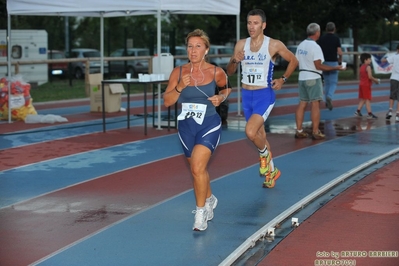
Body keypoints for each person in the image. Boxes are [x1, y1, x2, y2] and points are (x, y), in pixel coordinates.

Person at [163, 29, 231, 231]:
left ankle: (200, 214)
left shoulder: (215, 72)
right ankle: (209, 198)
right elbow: (167, 101)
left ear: (206, 50)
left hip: (209, 124)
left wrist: (221, 97)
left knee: (197, 169)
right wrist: (179, 88)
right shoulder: (179, 72)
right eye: (190, 46)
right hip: (186, 127)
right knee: (198, 171)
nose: (193, 50)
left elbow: (227, 87)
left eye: (198, 46)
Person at [226, 9, 298, 188]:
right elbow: (229, 71)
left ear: (263, 25)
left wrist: (283, 79)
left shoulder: (273, 45)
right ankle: (271, 174)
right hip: (246, 96)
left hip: (264, 96)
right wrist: (234, 60)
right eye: (249, 23)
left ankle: (264, 155)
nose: (252, 26)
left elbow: (293, 60)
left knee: (250, 132)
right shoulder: (241, 44)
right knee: (260, 135)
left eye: (255, 23)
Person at [295, 23, 345, 140]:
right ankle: (316, 131)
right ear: (317, 33)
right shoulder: (315, 47)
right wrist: (335, 67)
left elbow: (296, 61)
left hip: (302, 77)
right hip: (313, 77)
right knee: (315, 104)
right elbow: (318, 65)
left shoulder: (301, 45)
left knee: (302, 104)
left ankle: (299, 130)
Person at [318, 22, 343, 110]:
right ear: (334, 29)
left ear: (326, 29)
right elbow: (339, 52)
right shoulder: (336, 38)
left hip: (324, 63)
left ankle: (326, 101)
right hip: (333, 62)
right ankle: (329, 96)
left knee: (327, 83)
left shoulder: (322, 39)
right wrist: (340, 60)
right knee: (333, 82)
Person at [354, 53, 380, 119]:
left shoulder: (361, 66)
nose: (370, 60)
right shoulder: (368, 67)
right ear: (365, 60)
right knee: (367, 99)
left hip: (361, 84)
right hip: (366, 85)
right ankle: (369, 113)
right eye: (369, 59)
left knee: (363, 99)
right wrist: (376, 80)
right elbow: (370, 76)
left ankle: (358, 111)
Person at [381, 44, 399, 122]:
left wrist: (386, 57)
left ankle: (390, 111)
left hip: (394, 78)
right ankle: (398, 114)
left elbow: (383, 60)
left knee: (392, 95)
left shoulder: (394, 56)